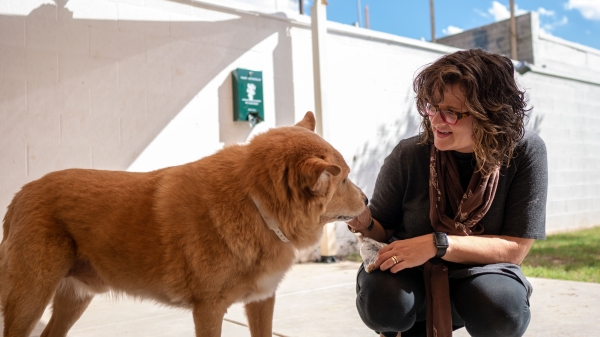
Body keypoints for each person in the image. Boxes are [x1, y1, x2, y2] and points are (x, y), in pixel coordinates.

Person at [347, 49, 548, 337]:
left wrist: (437, 244)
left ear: (490, 114)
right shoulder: (409, 154)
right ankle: (410, 322)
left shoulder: (525, 151)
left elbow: (514, 249)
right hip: (411, 278)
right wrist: (363, 221)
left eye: (452, 112)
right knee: (385, 303)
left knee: (502, 308)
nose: (437, 120)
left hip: (481, 275)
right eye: (432, 106)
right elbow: (381, 231)